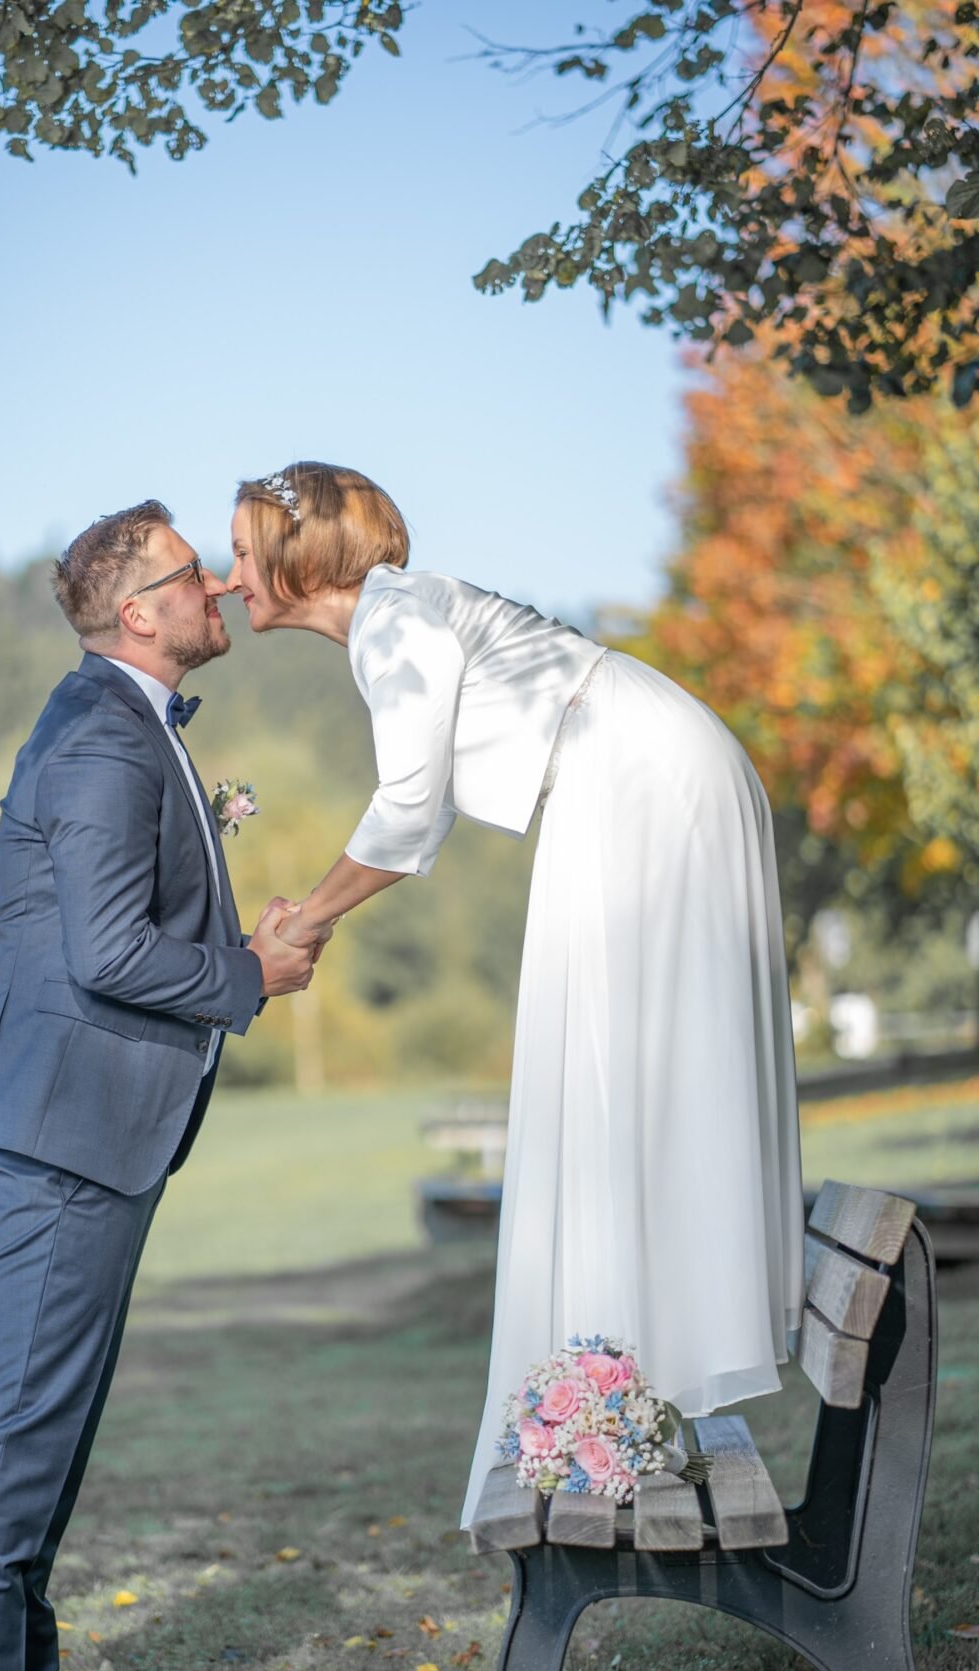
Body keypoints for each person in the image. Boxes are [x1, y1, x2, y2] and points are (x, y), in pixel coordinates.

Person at [224, 462, 805, 1534]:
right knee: (604, 1067)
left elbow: (409, 809)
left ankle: (607, 1395)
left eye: (240, 552)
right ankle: (610, 1389)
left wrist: (306, 920)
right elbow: (423, 809)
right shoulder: (396, 618)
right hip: (627, 769)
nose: (229, 579)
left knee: (605, 1066)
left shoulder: (392, 621)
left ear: (295, 555)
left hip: (632, 775)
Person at [0, 502, 313, 1671]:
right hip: (64, 1135)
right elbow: (105, 954)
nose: (219, 587)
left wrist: (236, 950)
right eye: (193, 574)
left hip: (92, 1136)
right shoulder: (100, 734)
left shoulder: (123, 722)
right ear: (137, 612)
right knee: (16, 1442)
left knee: (49, 1446)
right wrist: (247, 975)